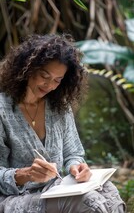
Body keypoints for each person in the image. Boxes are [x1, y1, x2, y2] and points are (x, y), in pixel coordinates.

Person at [0, 33, 126, 213]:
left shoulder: (59, 106)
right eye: (45, 75)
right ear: (27, 68)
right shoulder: (3, 110)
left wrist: (76, 167)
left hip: (55, 189)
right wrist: (26, 174)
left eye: (57, 80)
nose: (50, 85)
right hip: (14, 198)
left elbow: (73, 153)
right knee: (88, 201)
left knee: (109, 191)